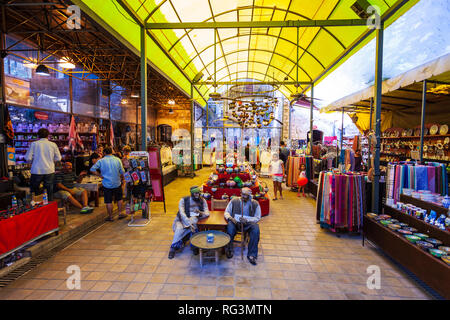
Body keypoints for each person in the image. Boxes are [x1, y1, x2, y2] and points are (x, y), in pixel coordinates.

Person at [168, 186, 210, 259]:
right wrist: (188, 223)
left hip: (194, 219)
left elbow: (207, 213)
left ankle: (194, 247)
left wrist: (200, 212)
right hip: (182, 219)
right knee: (179, 229)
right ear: (192, 193)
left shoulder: (202, 200)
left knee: (194, 225)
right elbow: (182, 213)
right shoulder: (183, 200)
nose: (197, 195)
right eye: (195, 193)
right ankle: (173, 248)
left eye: (198, 193)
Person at [224, 187, 261, 265]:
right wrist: (230, 218)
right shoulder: (234, 201)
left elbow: (257, 217)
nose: (243, 196)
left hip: (248, 223)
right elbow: (226, 212)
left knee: (256, 230)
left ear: (249, 196)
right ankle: (229, 249)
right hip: (235, 222)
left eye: (246, 195)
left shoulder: (255, 203)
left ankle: (252, 255)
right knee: (230, 228)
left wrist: (247, 220)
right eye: (242, 194)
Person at [90, 146, 126, 221]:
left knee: (108, 201)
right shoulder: (117, 160)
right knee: (119, 199)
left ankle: (110, 217)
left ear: (104, 153)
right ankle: (120, 213)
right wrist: (122, 178)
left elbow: (92, 169)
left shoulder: (101, 161)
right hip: (117, 183)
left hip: (106, 183)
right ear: (112, 152)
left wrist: (100, 175)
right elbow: (122, 171)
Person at [25, 128, 62, 201]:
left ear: (38, 135)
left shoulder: (34, 144)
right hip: (49, 170)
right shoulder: (53, 144)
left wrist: (33, 160)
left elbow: (27, 158)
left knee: (34, 191)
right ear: (48, 135)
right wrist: (51, 160)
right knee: (49, 191)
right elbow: (58, 158)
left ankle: (36, 206)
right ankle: (49, 207)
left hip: (36, 170)